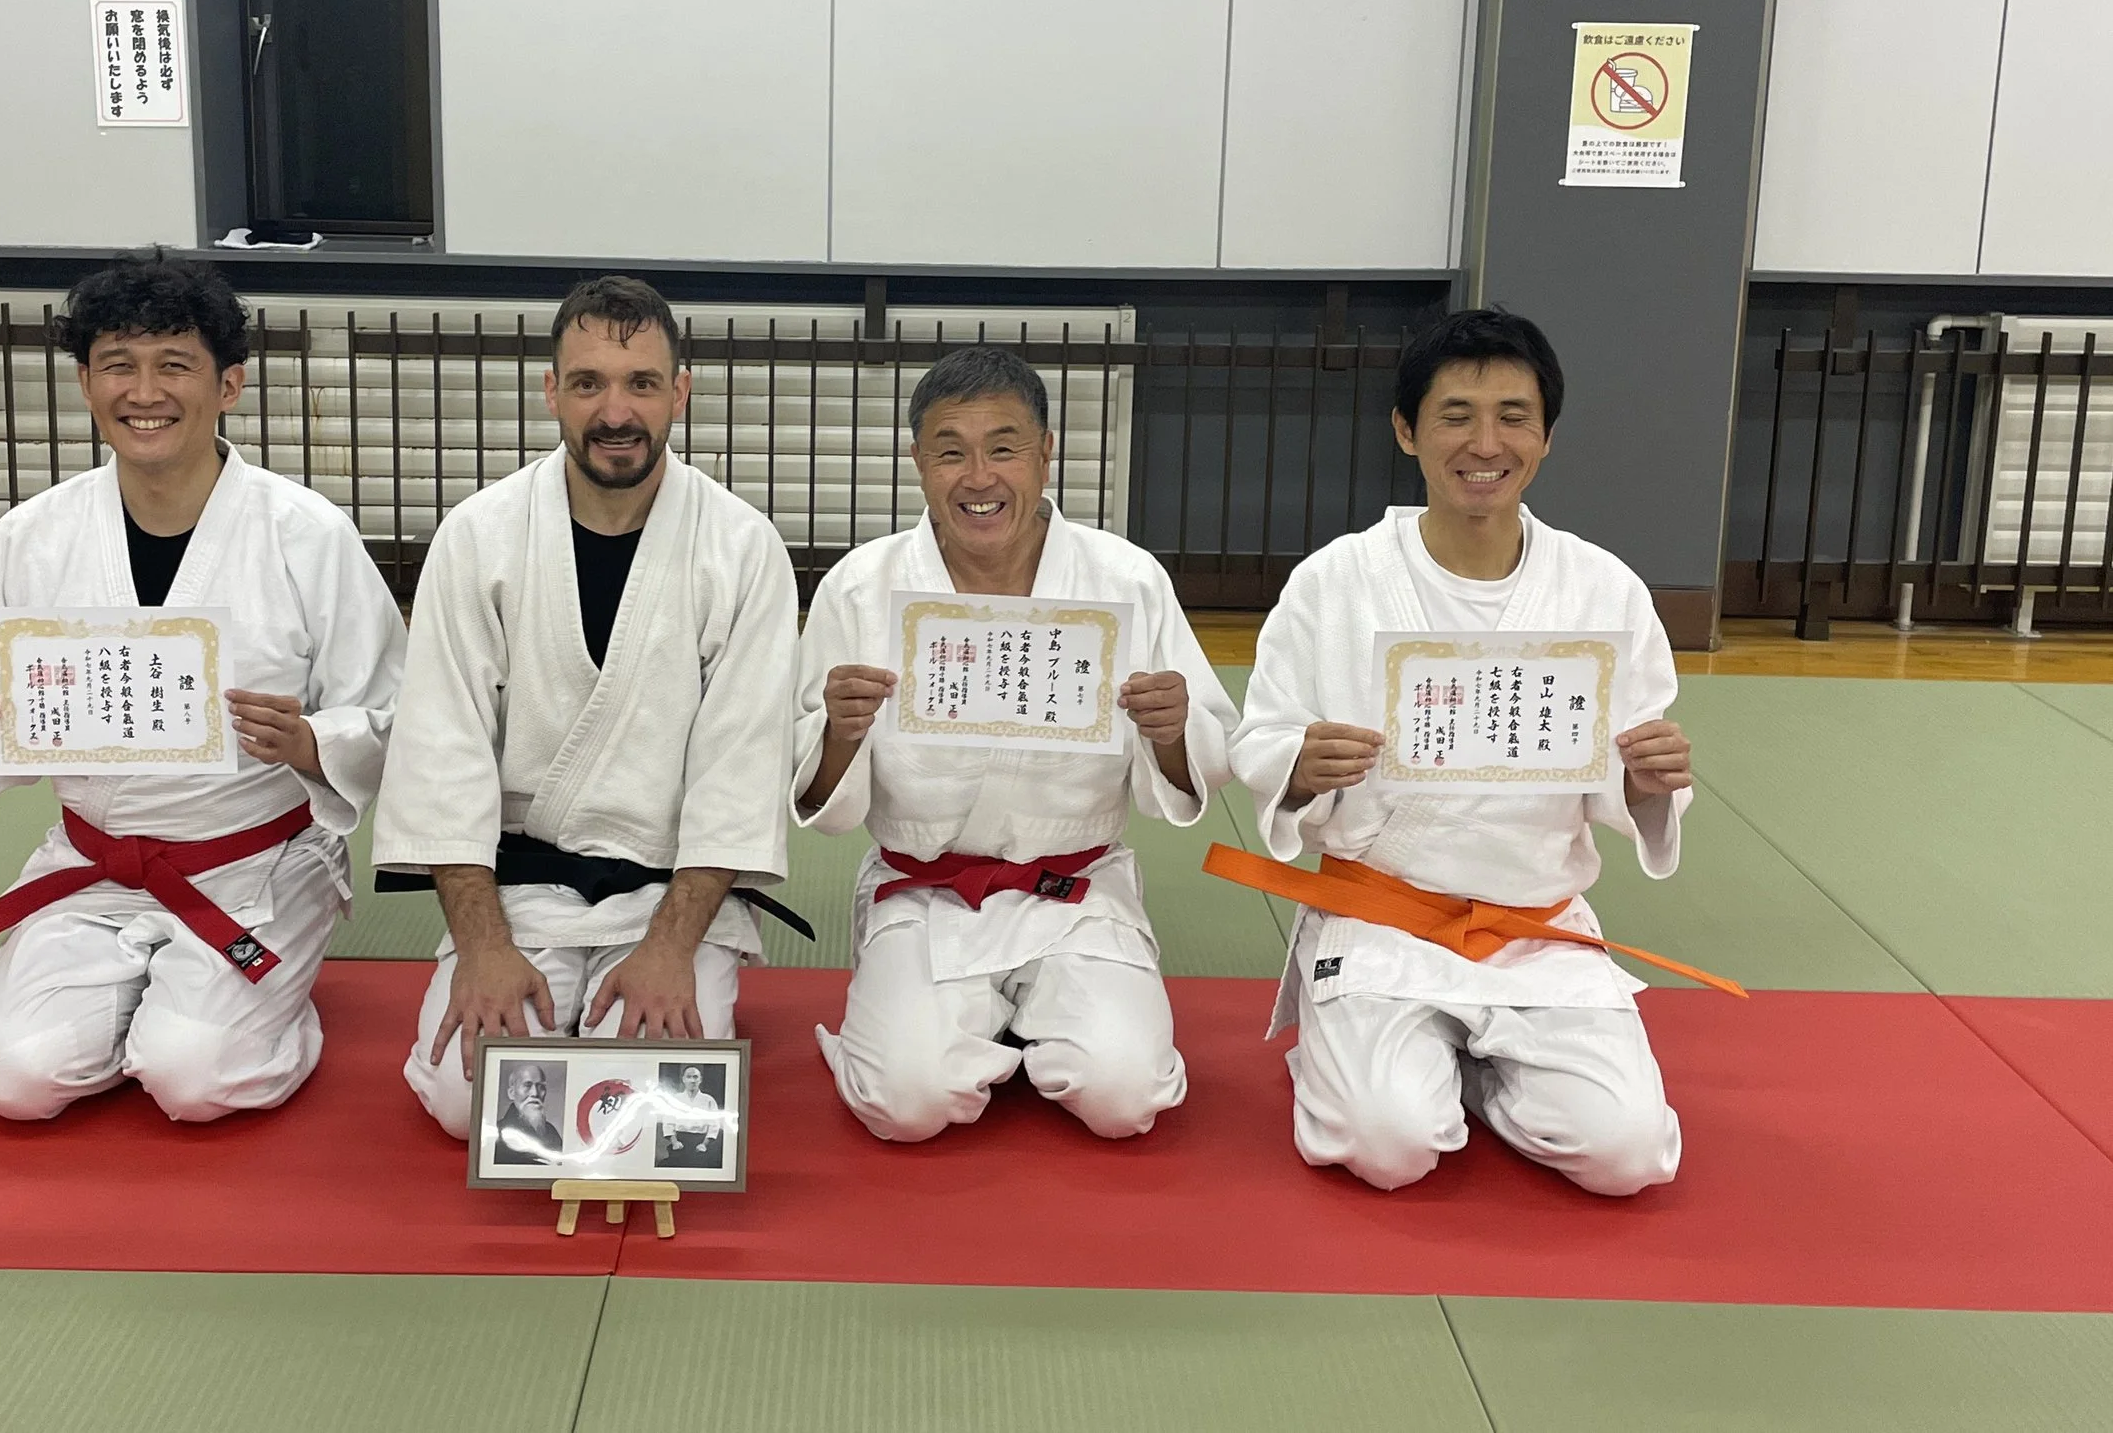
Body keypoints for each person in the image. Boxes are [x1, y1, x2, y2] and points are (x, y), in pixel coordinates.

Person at [0, 251, 405, 1122]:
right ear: (84, 382)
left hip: (256, 864)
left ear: (229, 383)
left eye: (175, 364)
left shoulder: (308, 535)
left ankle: (267, 1002)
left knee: (194, 1078)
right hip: (90, 866)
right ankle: (152, 1002)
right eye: (118, 365)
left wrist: (311, 742)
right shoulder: (29, 539)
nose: (145, 392)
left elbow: (392, 710)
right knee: (15, 1079)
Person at [1227, 307, 1703, 1195]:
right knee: (1387, 1146)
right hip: (1383, 919)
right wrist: (1299, 765)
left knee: (1627, 1155)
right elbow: (1260, 736)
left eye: (1514, 417)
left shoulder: (1603, 589)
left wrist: (1647, 780)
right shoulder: (1335, 581)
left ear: (1547, 436)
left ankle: (1476, 1077)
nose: (1486, 443)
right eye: (1456, 415)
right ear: (1406, 429)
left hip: (1534, 927)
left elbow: (1635, 776)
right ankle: (1370, 1057)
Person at [376, 276, 799, 1139]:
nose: (615, 411)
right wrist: (484, 947)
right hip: (520, 894)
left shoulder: (741, 547)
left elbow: (742, 767)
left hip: (671, 896)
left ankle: (692, 975)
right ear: (551, 391)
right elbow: (443, 750)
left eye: (642, 382)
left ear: (680, 390)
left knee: (643, 1107)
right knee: (471, 1105)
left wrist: (671, 949)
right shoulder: (480, 535)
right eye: (588, 383)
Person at [795, 345, 1236, 1143]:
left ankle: (1020, 1026)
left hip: (1077, 892)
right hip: (926, 892)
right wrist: (839, 729)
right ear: (917, 460)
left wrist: (1172, 731)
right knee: (906, 1104)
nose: (979, 477)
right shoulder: (860, 588)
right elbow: (819, 796)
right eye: (950, 451)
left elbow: (1201, 762)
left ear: (1046, 452)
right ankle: (960, 1028)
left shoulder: (1125, 580)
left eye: (1003, 447)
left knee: (1124, 1096)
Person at [492, 1062, 562, 1165]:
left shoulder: (552, 1132)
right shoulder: (496, 1134)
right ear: (511, 1093)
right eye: (527, 1085)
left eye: (541, 1086)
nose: (535, 1093)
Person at [657, 1063, 724, 1166]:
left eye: (695, 1077)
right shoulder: (675, 1099)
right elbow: (668, 1122)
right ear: (683, 1079)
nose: (692, 1080)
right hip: (680, 1141)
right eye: (689, 1077)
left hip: (701, 1141)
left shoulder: (708, 1100)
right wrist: (675, 1142)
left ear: (700, 1079)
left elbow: (714, 1125)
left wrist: (704, 1144)